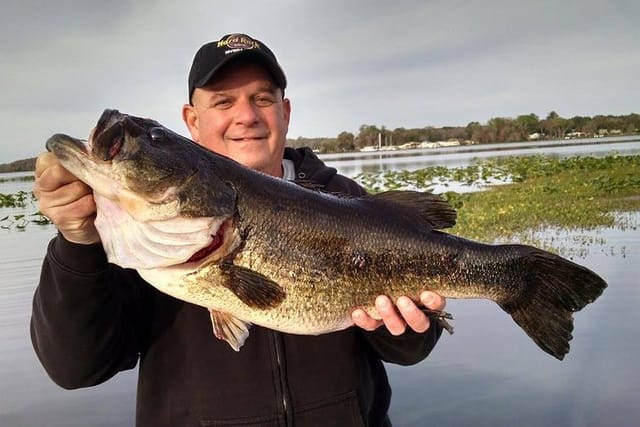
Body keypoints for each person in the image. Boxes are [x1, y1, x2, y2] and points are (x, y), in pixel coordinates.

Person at [31, 33, 446, 426]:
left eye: (262, 98)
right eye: (223, 102)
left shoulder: (348, 200)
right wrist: (77, 243)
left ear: (284, 112)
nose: (245, 116)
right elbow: (76, 369)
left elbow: (409, 350)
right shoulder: (126, 233)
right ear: (192, 121)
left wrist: (407, 330)